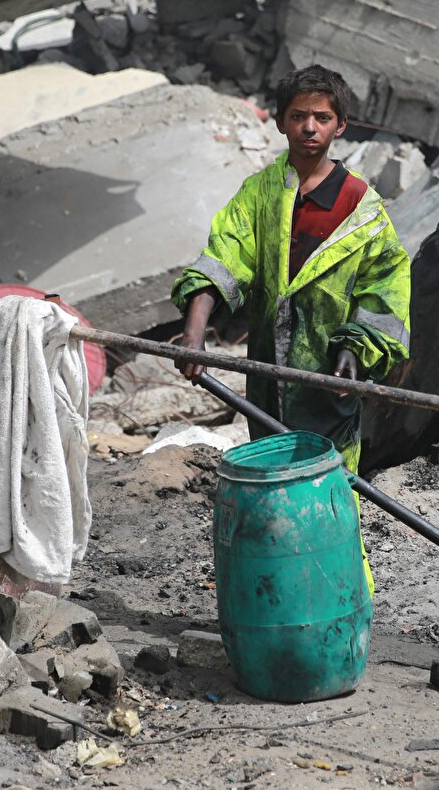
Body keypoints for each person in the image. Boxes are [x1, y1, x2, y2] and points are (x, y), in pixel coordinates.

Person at [171, 64, 412, 592]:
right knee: (277, 505)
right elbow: (224, 257)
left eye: (322, 118)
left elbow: (383, 292)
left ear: (340, 126)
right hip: (268, 389)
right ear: (280, 123)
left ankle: (344, 602)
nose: (310, 127)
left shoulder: (363, 212)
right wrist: (195, 333)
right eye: (298, 116)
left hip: (329, 393)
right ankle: (281, 600)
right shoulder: (260, 196)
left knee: (330, 502)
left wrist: (355, 350)